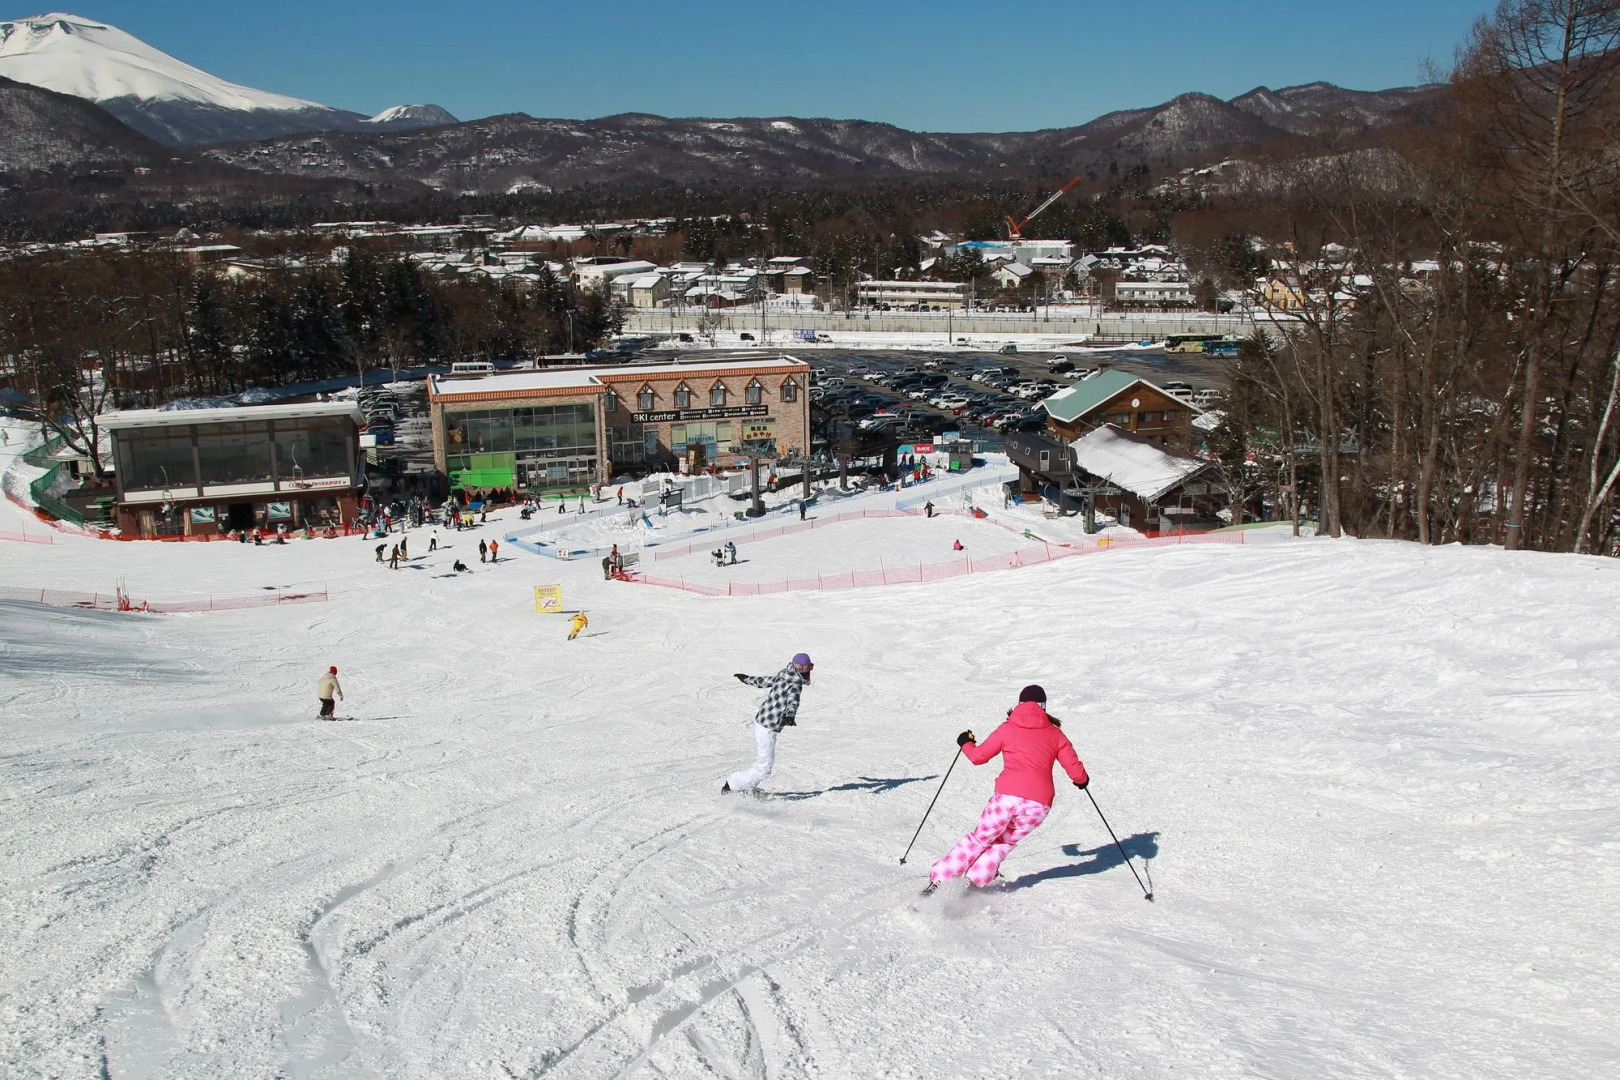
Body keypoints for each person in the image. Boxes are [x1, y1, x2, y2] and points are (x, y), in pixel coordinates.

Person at [922, 685, 1089, 895]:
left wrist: (966, 743)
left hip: (1006, 799)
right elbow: (1076, 773)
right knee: (1003, 842)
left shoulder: (1007, 728)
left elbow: (978, 757)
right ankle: (974, 882)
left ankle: (940, 880)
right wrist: (1082, 780)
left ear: (1019, 705)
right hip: (1038, 804)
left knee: (980, 838)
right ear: (1043, 707)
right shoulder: (1055, 734)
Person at [723, 654, 813, 794]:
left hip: (761, 722)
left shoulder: (783, 675)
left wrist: (746, 679)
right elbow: (793, 701)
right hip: (767, 728)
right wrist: (789, 716)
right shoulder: (795, 685)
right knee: (764, 769)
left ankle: (748, 786)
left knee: (762, 763)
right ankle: (732, 785)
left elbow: (763, 681)